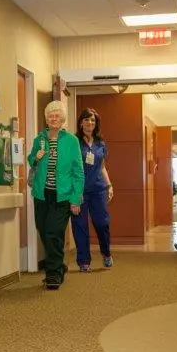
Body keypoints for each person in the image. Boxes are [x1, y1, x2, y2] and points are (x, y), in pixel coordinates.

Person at [28, 100, 84, 289]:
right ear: (46, 119)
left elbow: (78, 171)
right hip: (41, 194)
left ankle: (53, 274)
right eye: (50, 116)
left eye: (57, 116)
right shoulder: (39, 139)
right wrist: (35, 158)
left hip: (63, 196)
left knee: (54, 232)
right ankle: (59, 264)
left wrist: (76, 199)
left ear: (62, 120)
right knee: (43, 230)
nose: (54, 118)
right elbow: (31, 161)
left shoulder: (72, 141)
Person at [69, 108, 114, 271]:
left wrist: (109, 185)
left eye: (93, 120)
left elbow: (102, 167)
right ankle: (83, 261)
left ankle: (106, 252)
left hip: (98, 190)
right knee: (80, 225)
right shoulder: (74, 142)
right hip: (79, 191)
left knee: (102, 223)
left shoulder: (100, 143)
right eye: (87, 119)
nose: (90, 123)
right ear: (81, 123)